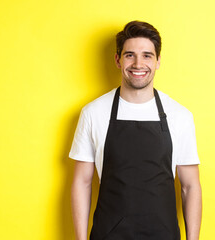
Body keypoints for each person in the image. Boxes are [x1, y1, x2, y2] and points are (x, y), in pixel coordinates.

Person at [70, 20, 202, 240]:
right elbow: (81, 182)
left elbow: (190, 186)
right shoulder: (93, 112)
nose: (138, 63)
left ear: (158, 61)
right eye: (129, 55)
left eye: (147, 55)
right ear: (117, 60)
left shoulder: (180, 116)